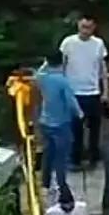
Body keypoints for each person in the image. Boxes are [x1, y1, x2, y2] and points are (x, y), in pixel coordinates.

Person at [60, 10, 109, 171]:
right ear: (78, 25)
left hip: (93, 92)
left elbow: (103, 69)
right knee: (75, 129)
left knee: (94, 128)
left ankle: (93, 158)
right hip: (73, 92)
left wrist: (105, 91)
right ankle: (75, 159)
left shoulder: (98, 44)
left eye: (88, 27)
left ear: (94, 27)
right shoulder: (68, 43)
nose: (85, 31)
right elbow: (63, 66)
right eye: (83, 27)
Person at [33, 49, 80, 194]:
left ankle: (45, 182)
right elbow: (71, 102)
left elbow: (37, 74)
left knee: (48, 152)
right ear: (62, 61)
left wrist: (45, 63)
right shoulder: (62, 81)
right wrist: (79, 114)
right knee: (61, 157)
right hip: (61, 123)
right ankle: (61, 184)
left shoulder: (43, 78)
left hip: (45, 121)